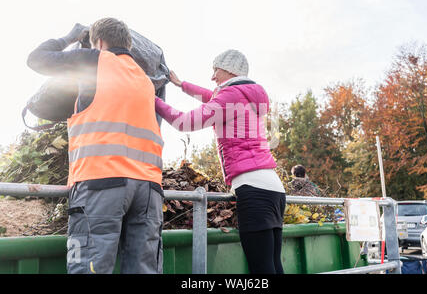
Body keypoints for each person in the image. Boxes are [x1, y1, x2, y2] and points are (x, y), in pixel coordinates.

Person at [27, 18, 164, 274]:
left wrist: (69, 37)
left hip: (101, 182)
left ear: (99, 42)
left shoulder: (95, 60)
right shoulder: (145, 80)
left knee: (89, 267)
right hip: (148, 191)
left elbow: (37, 58)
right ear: (128, 44)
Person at [155, 49, 286, 274]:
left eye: (215, 70)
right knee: (273, 266)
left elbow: (184, 122)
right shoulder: (247, 95)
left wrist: (151, 98)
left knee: (262, 271)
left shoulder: (230, 97)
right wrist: (182, 85)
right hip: (273, 190)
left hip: (253, 190)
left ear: (230, 70)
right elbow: (213, 97)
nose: (213, 76)